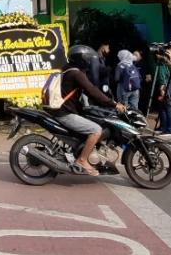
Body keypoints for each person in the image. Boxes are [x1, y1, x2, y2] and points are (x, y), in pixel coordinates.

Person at [52, 44, 127, 176]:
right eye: (87, 59)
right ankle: (81, 160)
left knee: (94, 119)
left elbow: (89, 90)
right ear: (81, 59)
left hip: (63, 109)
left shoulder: (67, 69)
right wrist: (114, 104)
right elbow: (92, 90)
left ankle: (83, 151)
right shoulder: (76, 73)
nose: (89, 61)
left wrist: (102, 103)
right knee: (96, 130)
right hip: (65, 113)